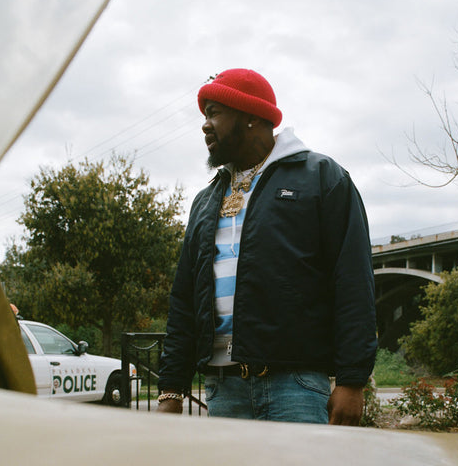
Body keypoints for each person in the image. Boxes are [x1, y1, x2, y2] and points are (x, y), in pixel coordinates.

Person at [157, 68, 377, 425]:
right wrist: (171, 389)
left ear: (250, 117)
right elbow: (184, 299)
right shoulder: (205, 200)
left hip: (296, 386)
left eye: (214, 113)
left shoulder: (321, 177)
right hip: (222, 389)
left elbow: (353, 279)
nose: (205, 125)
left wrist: (352, 380)